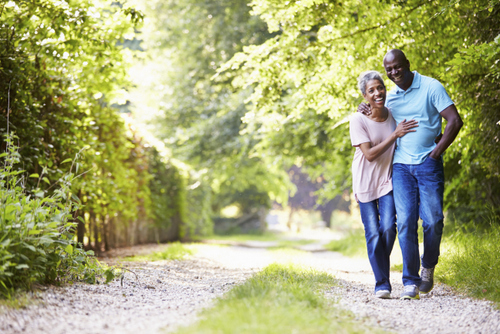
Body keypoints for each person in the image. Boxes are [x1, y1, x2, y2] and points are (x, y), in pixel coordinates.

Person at [359, 49, 463, 300]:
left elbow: (454, 121)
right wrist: (364, 105)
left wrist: (437, 152)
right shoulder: (390, 97)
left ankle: (428, 265)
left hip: (428, 164)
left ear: (407, 64)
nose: (394, 73)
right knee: (405, 223)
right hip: (401, 167)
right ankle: (410, 281)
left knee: (434, 220)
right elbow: (375, 115)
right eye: (389, 70)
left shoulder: (431, 86)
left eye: (397, 67)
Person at [350, 70, 418, 299]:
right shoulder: (358, 119)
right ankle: (382, 283)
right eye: (371, 90)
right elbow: (369, 154)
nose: (378, 93)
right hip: (364, 182)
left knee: (388, 227)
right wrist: (394, 135)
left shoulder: (393, 114)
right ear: (364, 95)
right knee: (373, 234)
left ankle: (380, 267)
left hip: (387, 181)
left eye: (380, 88)